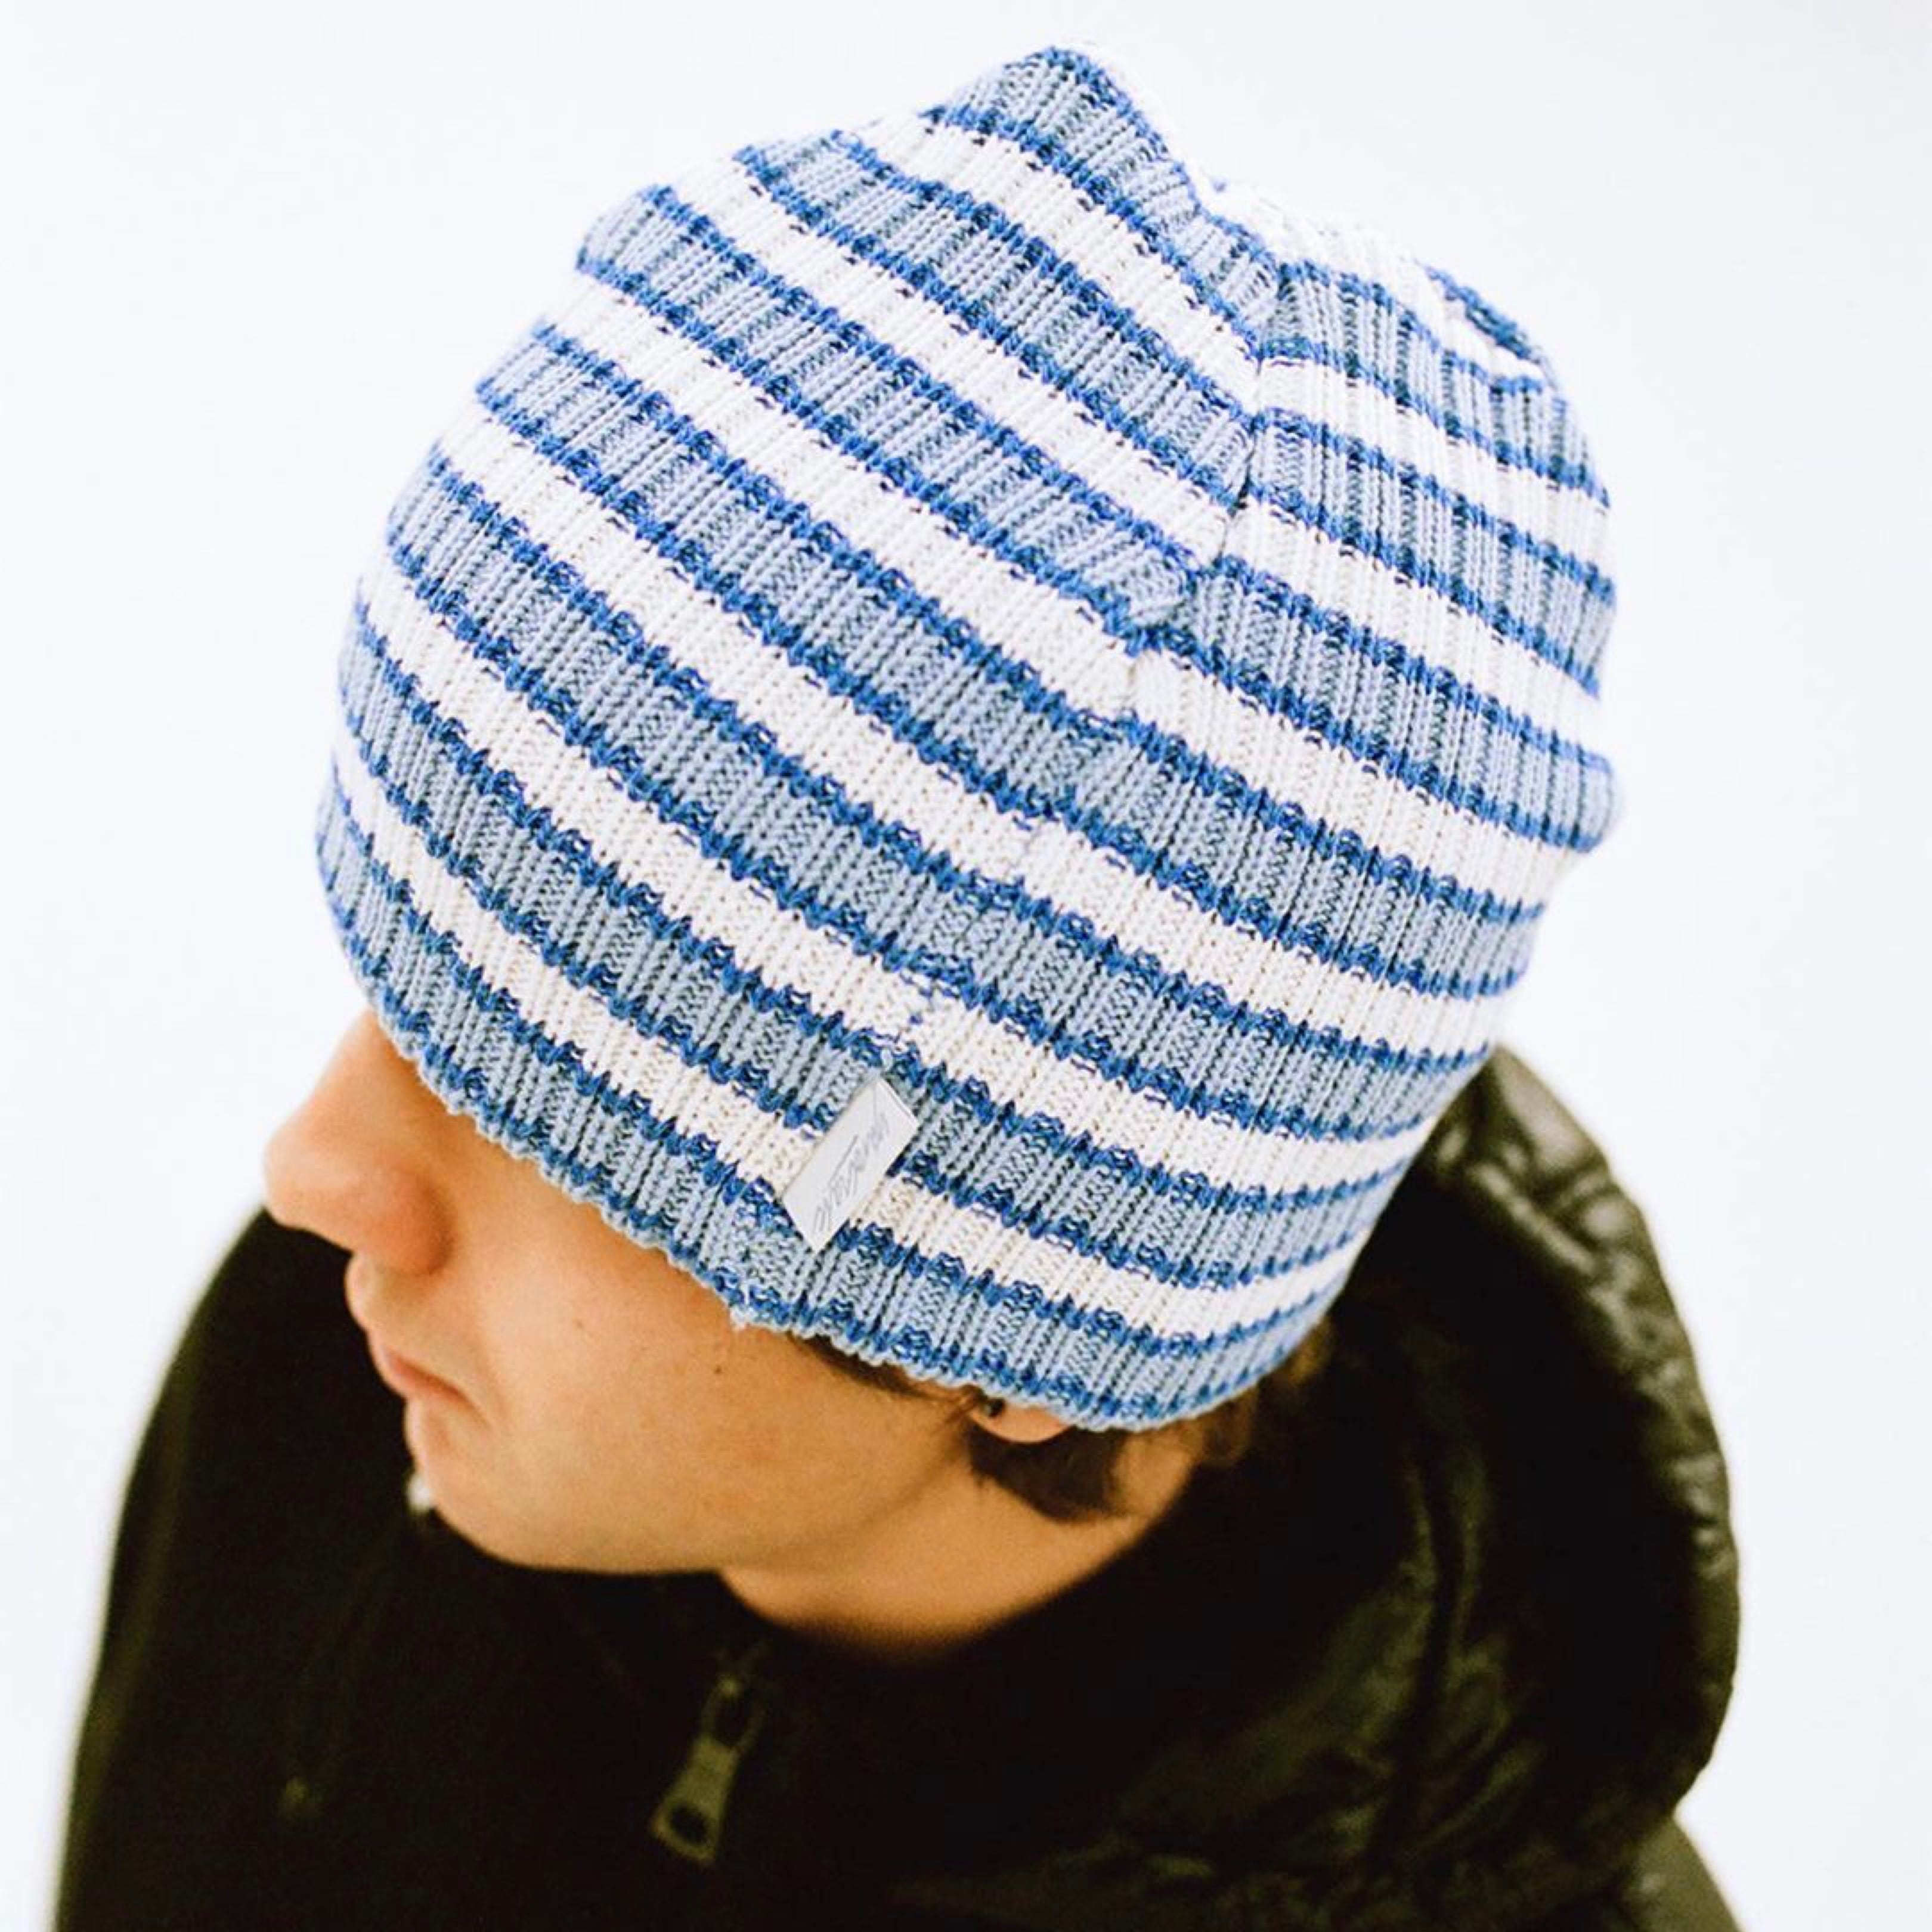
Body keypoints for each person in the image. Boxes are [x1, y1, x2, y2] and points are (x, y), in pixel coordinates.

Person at [53, 37, 1742, 1931]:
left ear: (1017, 1348)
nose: (315, 1170)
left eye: (556, 1106)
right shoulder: (348, 1380)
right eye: (407, 972)